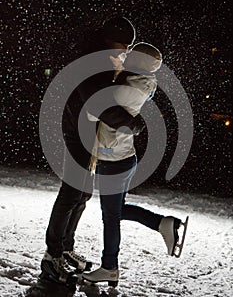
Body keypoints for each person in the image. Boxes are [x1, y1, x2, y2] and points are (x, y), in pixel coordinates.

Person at [39, 16, 146, 287]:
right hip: (78, 133)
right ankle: (52, 255)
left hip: (87, 133)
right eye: (125, 45)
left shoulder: (104, 59)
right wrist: (133, 123)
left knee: (83, 193)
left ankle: (64, 248)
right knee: (72, 192)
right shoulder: (94, 60)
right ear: (112, 39)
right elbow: (99, 102)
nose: (127, 51)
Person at [82, 43, 187, 287]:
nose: (125, 56)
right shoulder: (137, 82)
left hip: (114, 158)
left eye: (131, 54)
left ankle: (109, 267)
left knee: (111, 217)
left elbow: (91, 112)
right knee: (116, 211)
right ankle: (163, 224)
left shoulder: (128, 87)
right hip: (121, 157)